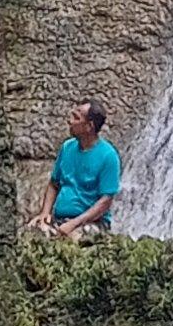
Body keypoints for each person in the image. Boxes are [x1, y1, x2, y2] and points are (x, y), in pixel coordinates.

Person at [38, 100, 121, 241]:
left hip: (92, 223)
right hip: (60, 219)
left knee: (74, 239)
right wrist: (44, 214)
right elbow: (54, 184)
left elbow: (105, 201)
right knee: (31, 234)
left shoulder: (108, 156)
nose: (69, 121)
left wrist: (73, 223)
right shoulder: (67, 147)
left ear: (89, 126)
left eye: (76, 118)